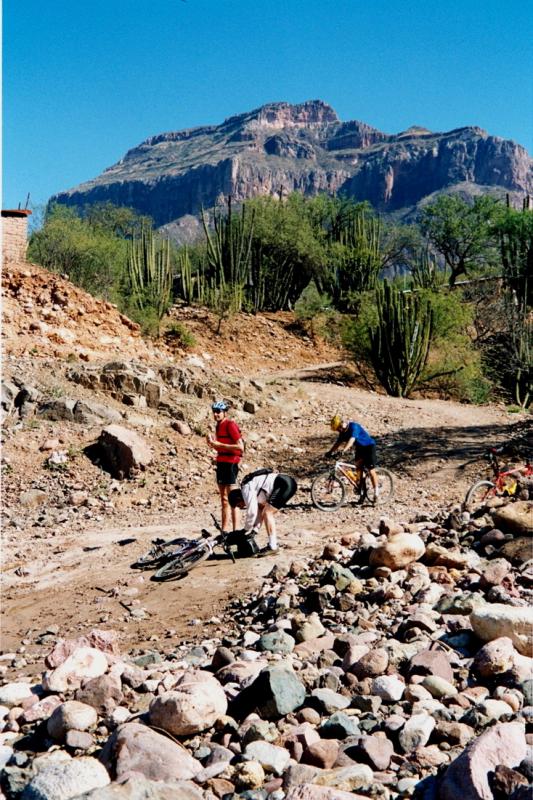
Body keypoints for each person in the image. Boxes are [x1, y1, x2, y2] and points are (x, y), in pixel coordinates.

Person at [228, 471, 297, 554]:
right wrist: (255, 530)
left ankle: (273, 546)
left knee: (268, 513)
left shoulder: (245, 490)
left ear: (238, 498)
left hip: (283, 483)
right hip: (287, 482)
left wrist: (245, 529)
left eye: (239, 505)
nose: (242, 507)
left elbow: (252, 512)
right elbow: (260, 510)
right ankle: (273, 544)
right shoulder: (254, 491)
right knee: (266, 511)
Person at [206, 401, 244, 532]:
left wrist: (218, 445)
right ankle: (224, 530)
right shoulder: (218, 426)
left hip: (231, 462)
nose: (216, 414)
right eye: (214, 411)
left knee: (233, 498)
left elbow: (240, 446)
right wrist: (212, 444)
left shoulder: (230, 425)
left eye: (218, 412)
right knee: (223, 499)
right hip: (221, 462)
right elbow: (219, 445)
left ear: (224, 413)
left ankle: (236, 530)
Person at [326, 415, 379, 499]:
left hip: (369, 447)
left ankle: (376, 491)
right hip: (360, 448)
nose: (338, 430)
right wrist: (329, 452)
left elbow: (351, 440)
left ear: (342, 423)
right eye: (337, 429)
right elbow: (337, 443)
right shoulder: (342, 432)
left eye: (338, 427)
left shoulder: (354, 427)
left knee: (371, 469)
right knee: (358, 468)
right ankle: (362, 490)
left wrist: (343, 451)